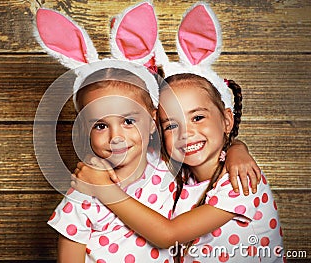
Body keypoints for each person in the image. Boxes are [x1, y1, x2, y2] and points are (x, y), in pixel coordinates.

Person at [36, 2, 261, 262]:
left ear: (152, 120)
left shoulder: (166, 165)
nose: (116, 136)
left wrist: (236, 148)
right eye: (100, 125)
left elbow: (207, 146)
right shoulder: (84, 191)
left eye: (128, 121)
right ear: (83, 129)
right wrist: (97, 184)